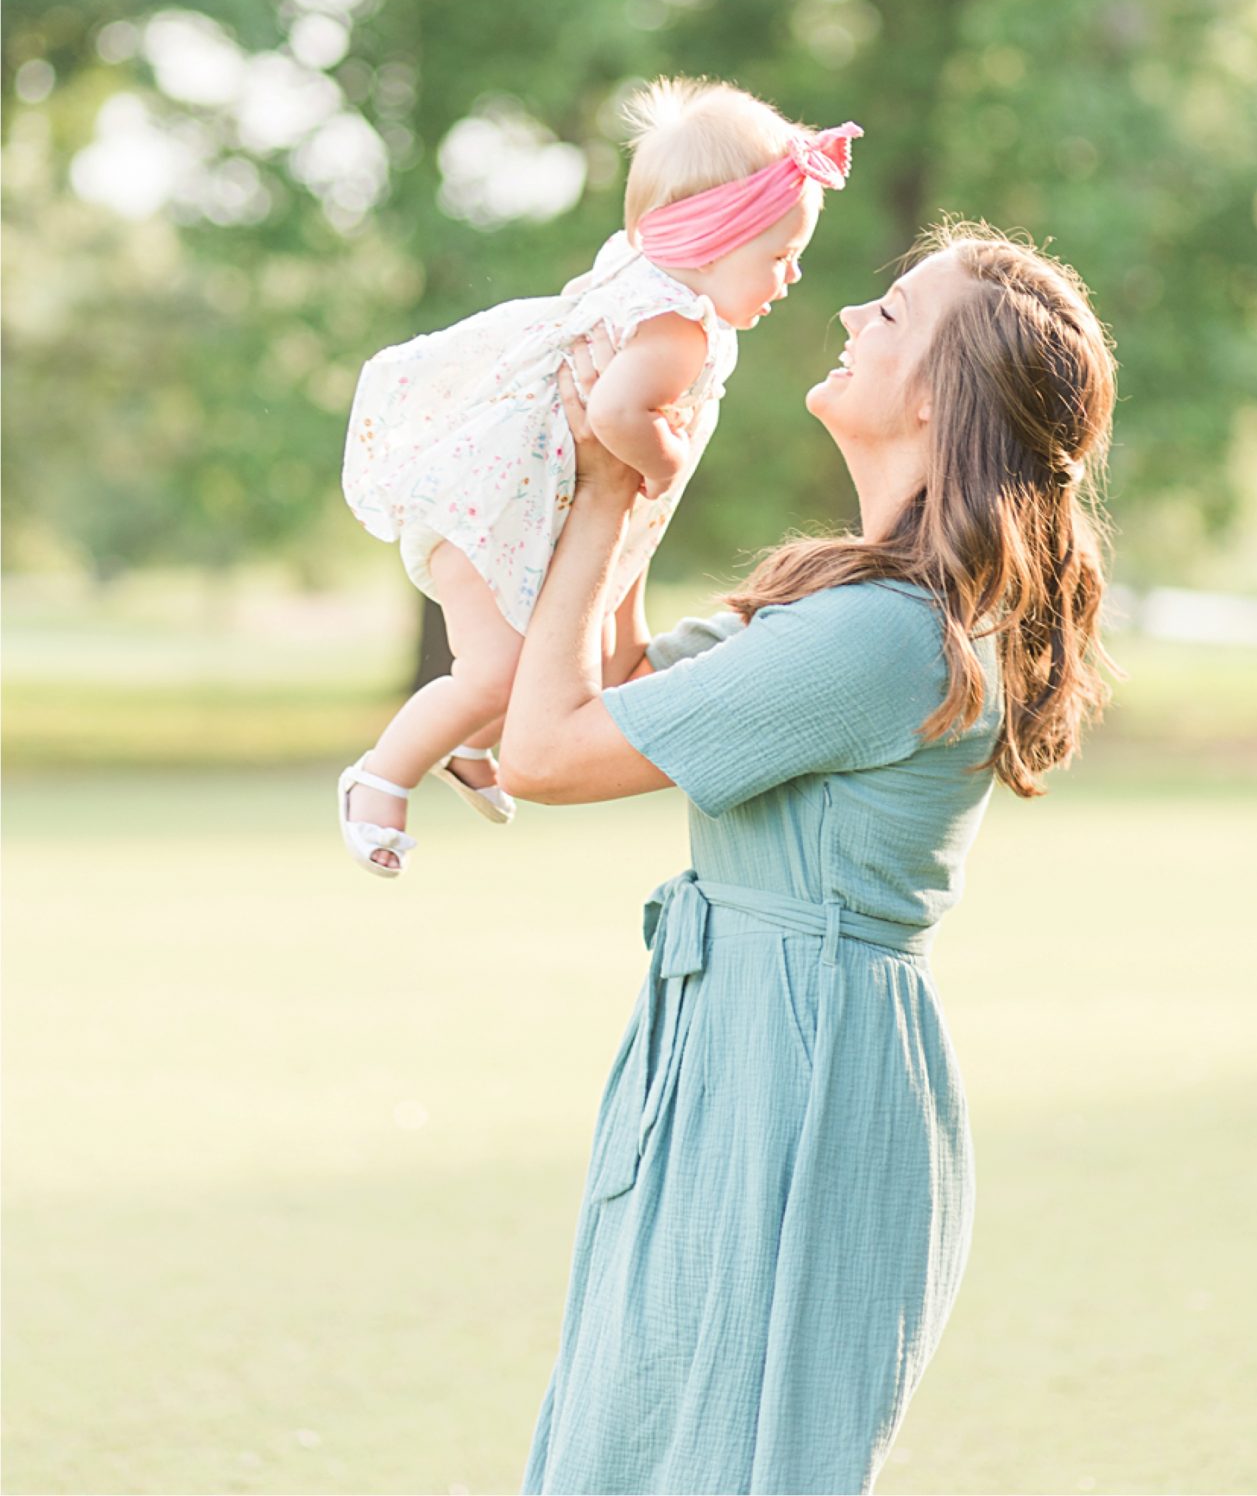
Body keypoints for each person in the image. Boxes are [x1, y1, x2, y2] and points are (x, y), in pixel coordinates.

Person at [497, 218, 1118, 1496]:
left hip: (805, 1066)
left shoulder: (886, 639)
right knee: (641, 1433)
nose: (846, 316)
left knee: (725, 1454)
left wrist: (613, 489)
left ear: (942, 396)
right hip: (742, 1037)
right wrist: (645, 486)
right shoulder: (848, 600)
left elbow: (549, 754)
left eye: (888, 314)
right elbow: (613, 685)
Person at [334, 77, 862, 873]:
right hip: (487, 507)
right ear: (712, 244)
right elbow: (615, 415)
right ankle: (379, 779)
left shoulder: (647, 283)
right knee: (499, 670)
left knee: (538, 656)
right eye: (780, 257)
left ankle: (467, 748)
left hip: (508, 503)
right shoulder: (675, 328)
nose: (789, 278)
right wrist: (667, 458)